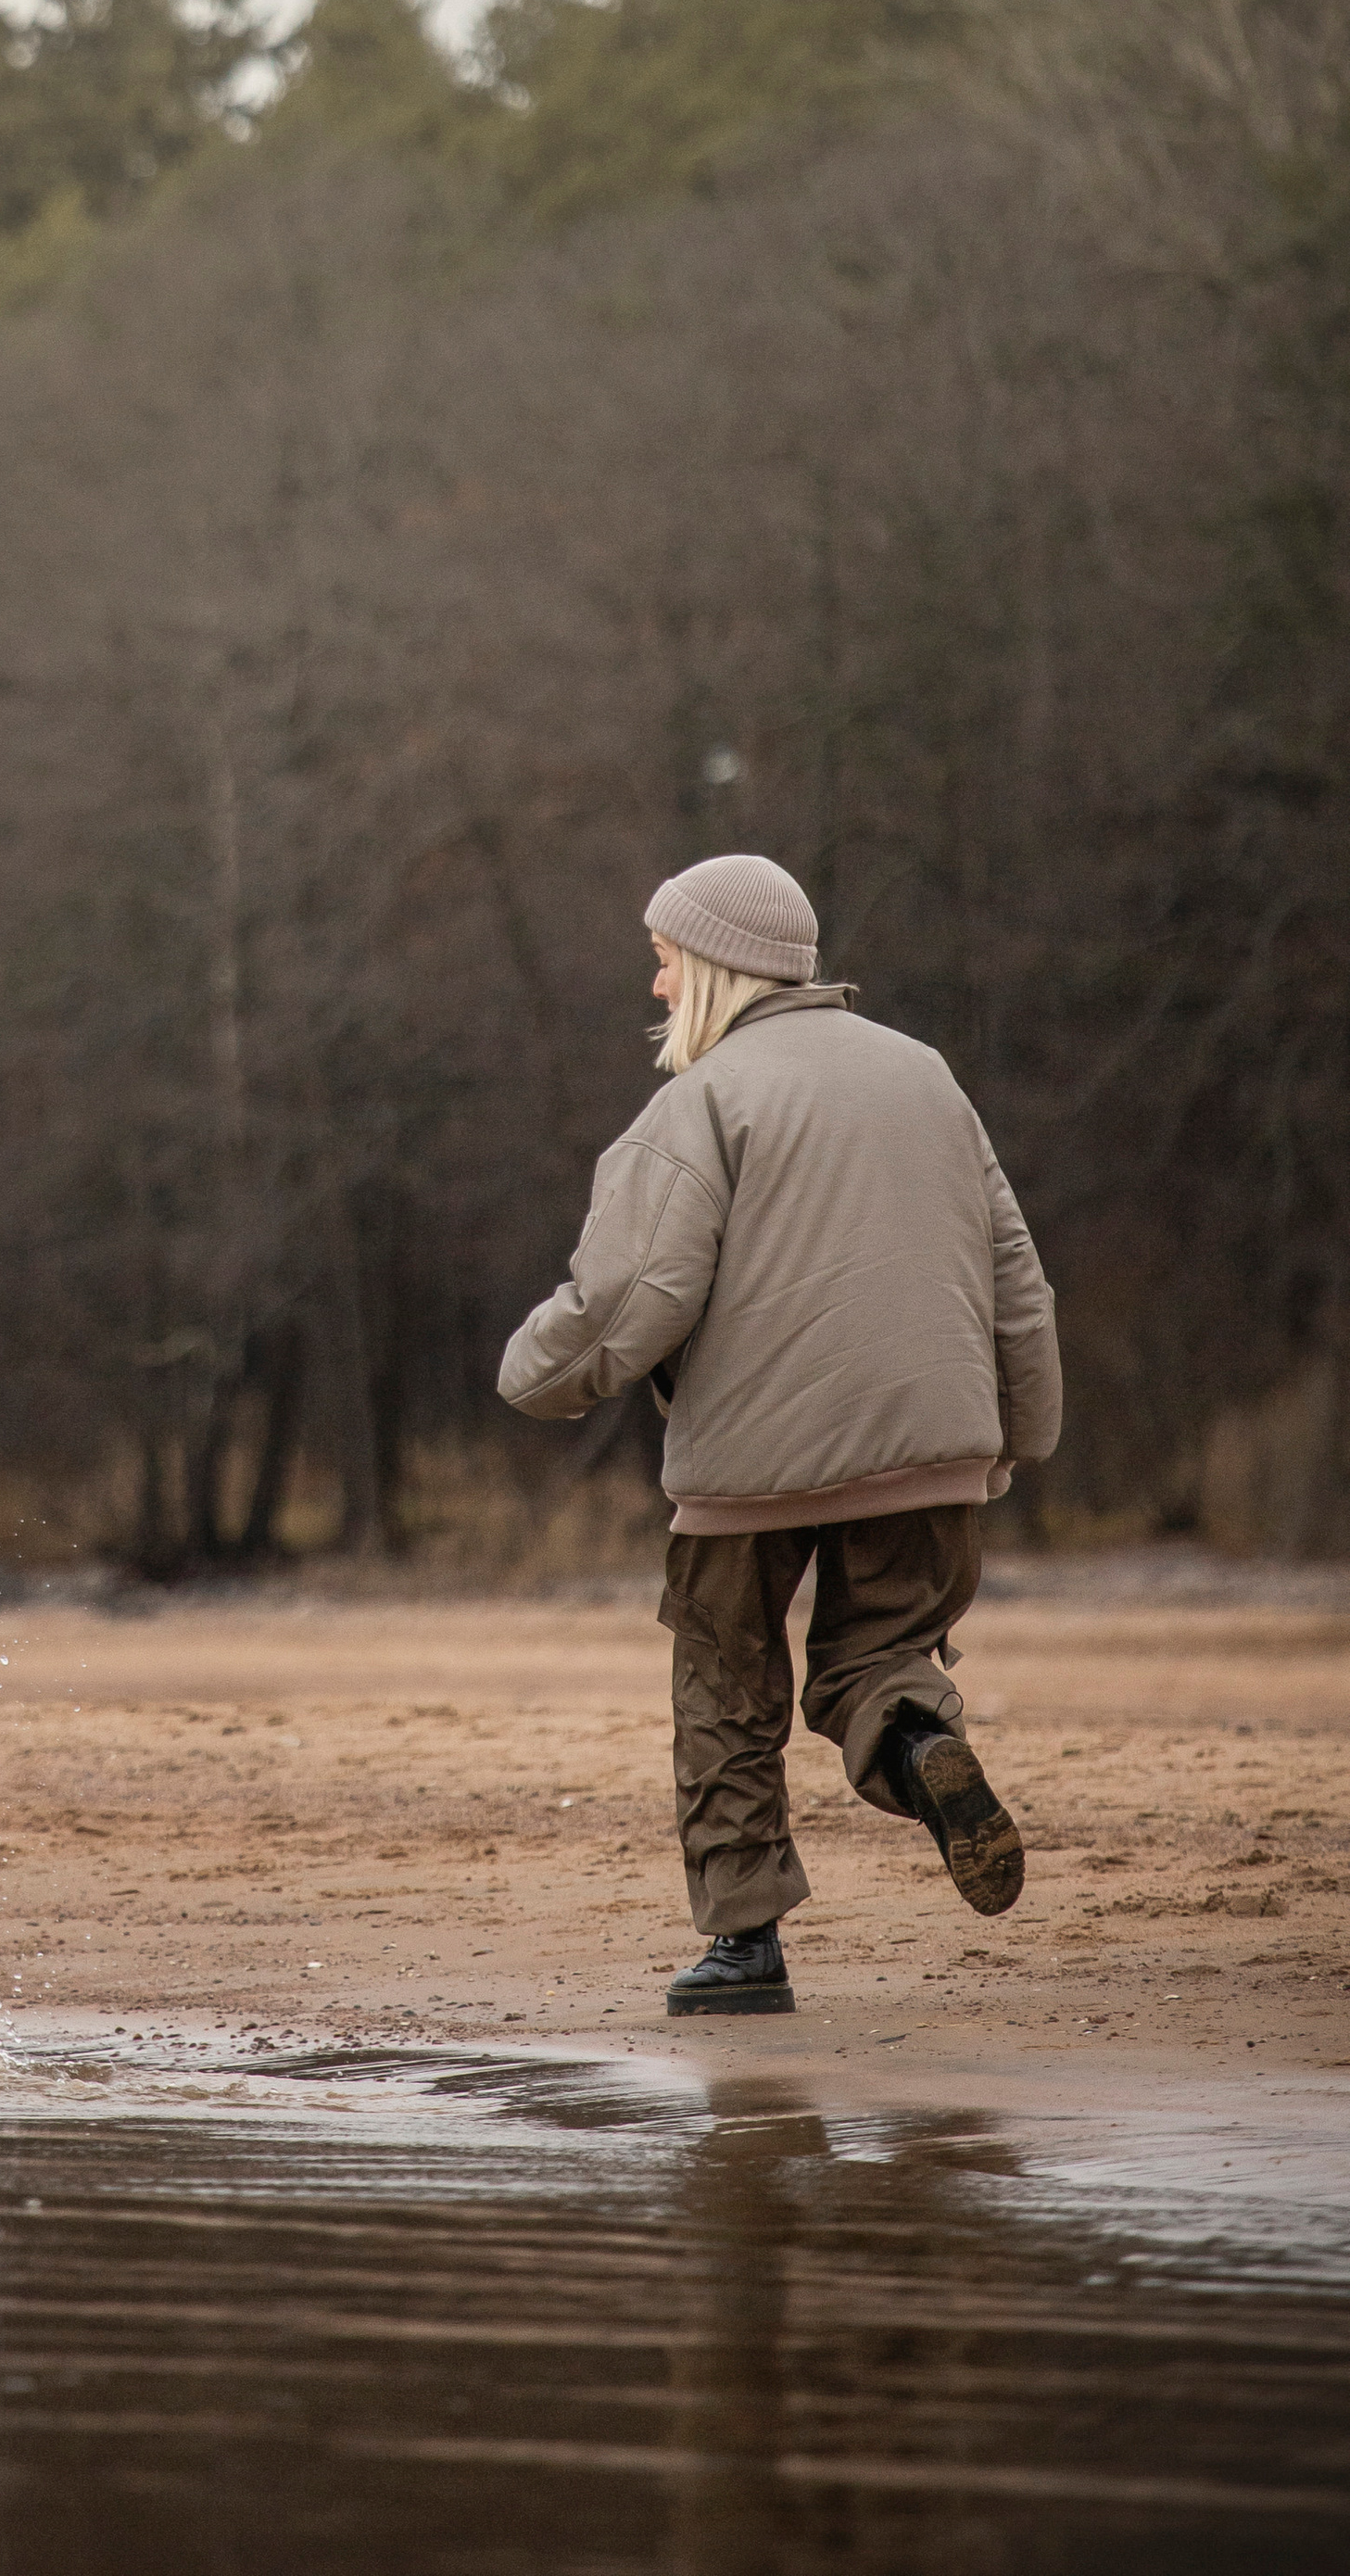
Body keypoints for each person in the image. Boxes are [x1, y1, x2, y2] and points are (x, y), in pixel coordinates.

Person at [496, 852, 1062, 2018]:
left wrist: (531, 1377)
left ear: (713, 966)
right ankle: (913, 1748)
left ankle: (744, 1949)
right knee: (880, 1661)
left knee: (726, 1684)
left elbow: (636, 1293)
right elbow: (1012, 1267)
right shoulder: (927, 1077)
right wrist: (1021, 1425)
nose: (655, 988)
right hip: (931, 1447)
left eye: (662, 962)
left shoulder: (703, 1103)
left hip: (750, 1468)